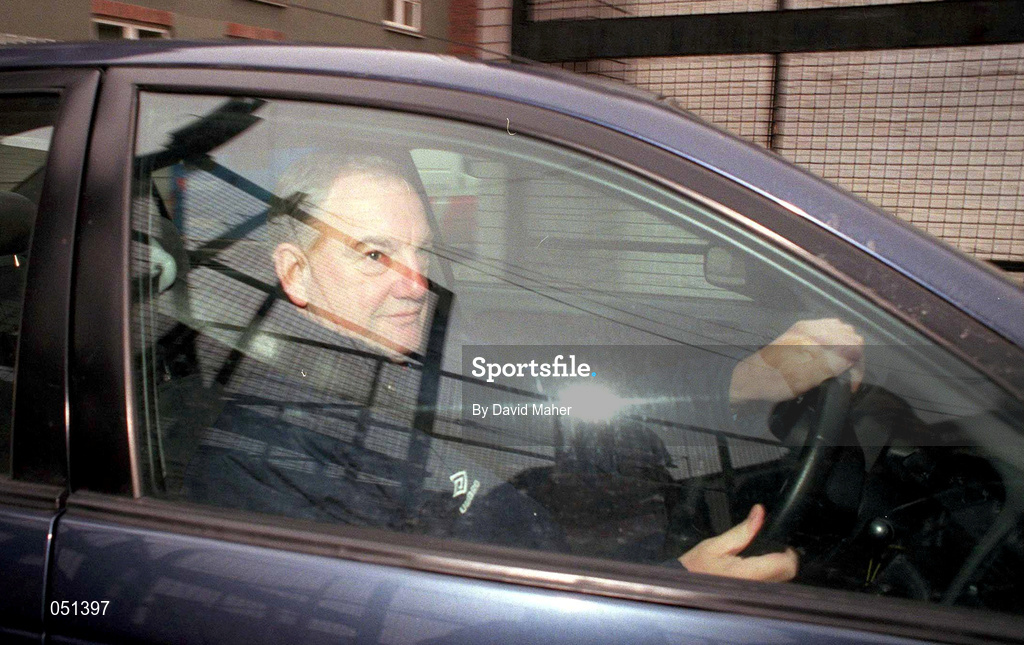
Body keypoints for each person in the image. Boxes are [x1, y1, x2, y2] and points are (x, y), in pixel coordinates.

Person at [185, 152, 864, 583]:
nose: (417, 285)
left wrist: (752, 378)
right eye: (374, 254)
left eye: (422, 253)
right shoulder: (269, 457)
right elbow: (423, 622)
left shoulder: (393, 360)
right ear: (296, 275)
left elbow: (559, 391)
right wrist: (678, 586)